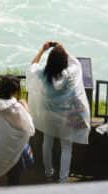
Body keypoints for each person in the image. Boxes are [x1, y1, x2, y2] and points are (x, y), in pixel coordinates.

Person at [26, 41, 90, 183]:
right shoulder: (70, 74)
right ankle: (63, 179)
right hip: (67, 117)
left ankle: (48, 173)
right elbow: (76, 64)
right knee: (66, 147)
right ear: (63, 60)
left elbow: (32, 67)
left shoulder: (43, 73)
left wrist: (42, 50)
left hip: (48, 116)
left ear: (50, 60)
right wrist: (62, 49)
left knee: (47, 143)